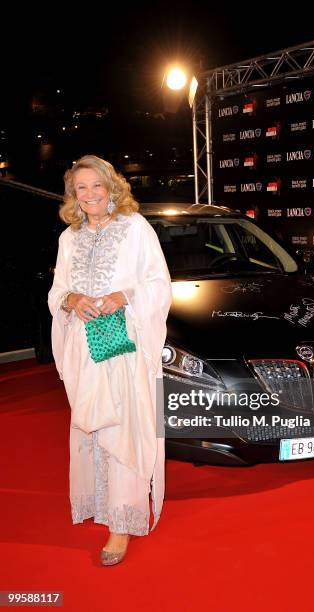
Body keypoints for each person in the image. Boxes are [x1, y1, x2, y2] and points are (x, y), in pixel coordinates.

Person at [48, 155, 172, 566]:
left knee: (124, 426)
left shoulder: (135, 229)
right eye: (80, 188)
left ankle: (121, 523)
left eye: (95, 186)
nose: (89, 195)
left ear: (111, 187)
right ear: (73, 195)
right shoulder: (70, 238)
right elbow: (57, 290)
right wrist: (71, 300)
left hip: (126, 345)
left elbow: (159, 283)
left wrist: (125, 296)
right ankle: (100, 505)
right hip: (85, 347)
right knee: (92, 425)